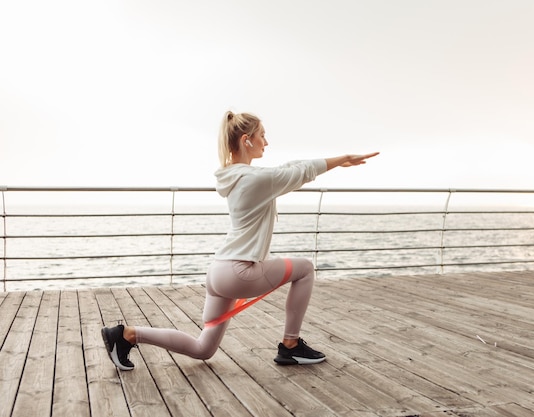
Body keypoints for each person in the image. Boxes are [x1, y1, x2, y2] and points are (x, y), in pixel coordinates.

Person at [102, 111, 379, 370]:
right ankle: (291, 345)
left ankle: (127, 335)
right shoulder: (254, 180)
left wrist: (334, 160)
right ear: (247, 140)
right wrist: (341, 159)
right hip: (238, 271)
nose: (266, 142)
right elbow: (298, 172)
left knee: (203, 349)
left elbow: (288, 167)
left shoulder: (238, 177)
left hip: (219, 271)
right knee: (305, 268)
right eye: (262, 136)